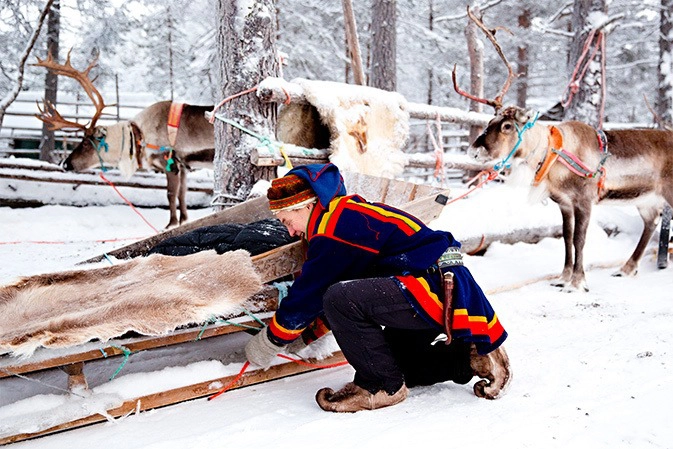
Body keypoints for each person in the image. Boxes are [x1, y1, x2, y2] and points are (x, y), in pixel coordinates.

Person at [245, 163, 511, 413]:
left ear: (306, 206)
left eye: (286, 220)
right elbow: (337, 283)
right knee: (396, 367)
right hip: (423, 283)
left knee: (338, 299)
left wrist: (272, 339)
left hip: (430, 286)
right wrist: (305, 335)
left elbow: (312, 292)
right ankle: (470, 360)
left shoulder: (334, 225)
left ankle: (379, 387)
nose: (290, 231)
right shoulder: (344, 216)